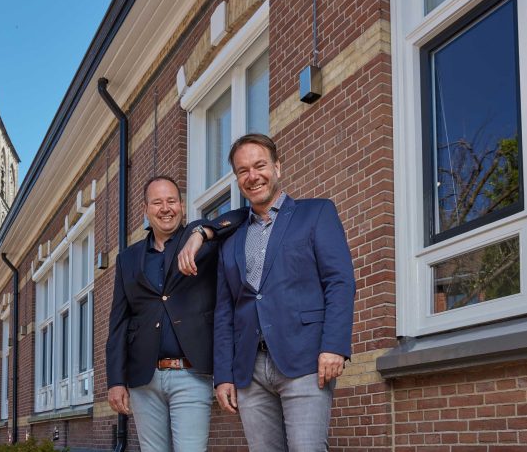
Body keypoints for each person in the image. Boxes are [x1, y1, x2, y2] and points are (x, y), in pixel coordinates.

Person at [213, 133, 357, 451]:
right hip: (249, 368)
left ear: (277, 166)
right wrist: (223, 374)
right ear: (237, 179)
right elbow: (224, 311)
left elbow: (340, 281)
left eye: (260, 165)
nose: (253, 176)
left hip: (305, 357)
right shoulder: (231, 239)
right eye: (243, 170)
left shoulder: (316, 213)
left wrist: (334, 345)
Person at [106, 175, 246, 452]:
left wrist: (201, 233)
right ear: (145, 209)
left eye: (171, 200)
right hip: (143, 378)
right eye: (157, 202)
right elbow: (119, 322)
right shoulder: (128, 259)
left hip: (191, 374)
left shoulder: (202, 242)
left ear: (181, 205)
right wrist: (116, 380)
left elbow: (243, 214)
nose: (165, 208)